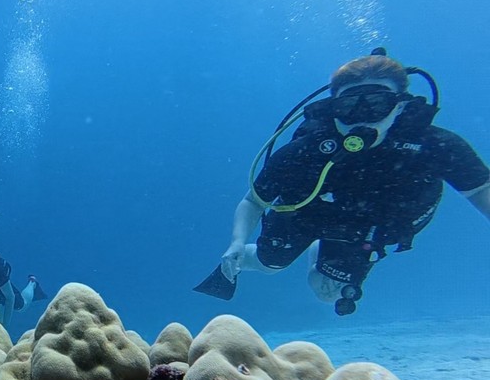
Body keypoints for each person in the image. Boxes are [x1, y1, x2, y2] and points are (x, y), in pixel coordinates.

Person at [195, 49, 490, 315]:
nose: (362, 118)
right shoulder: (308, 149)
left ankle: (319, 255)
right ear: (334, 108)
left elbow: (481, 190)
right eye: (349, 107)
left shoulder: (436, 146)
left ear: (399, 105)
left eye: (376, 104)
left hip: (368, 228)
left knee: (326, 293)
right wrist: (235, 243)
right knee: (269, 263)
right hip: (310, 214)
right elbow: (253, 201)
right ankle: (244, 260)